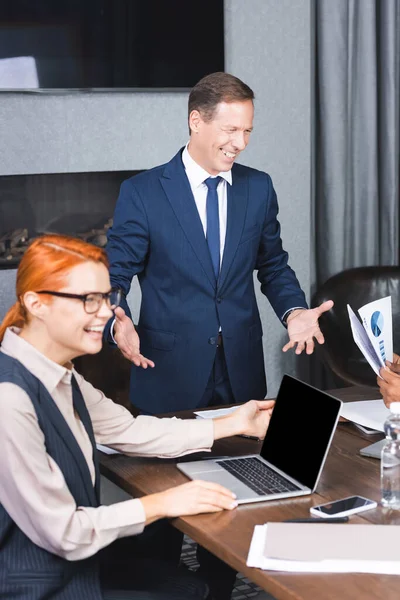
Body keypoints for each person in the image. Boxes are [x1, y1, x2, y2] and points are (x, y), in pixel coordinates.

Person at [0, 234, 275, 600]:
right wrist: (163, 503)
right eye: (88, 300)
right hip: (38, 582)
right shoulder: (10, 398)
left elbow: (128, 430)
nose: (106, 313)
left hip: (74, 561)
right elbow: (66, 533)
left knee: (193, 588)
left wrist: (236, 423)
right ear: (36, 304)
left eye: (107, 298)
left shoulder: (57, 372)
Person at [105, 71, 333, 416]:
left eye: (247, 131)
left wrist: (295, 311)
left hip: (241, 370)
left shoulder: (258, 187)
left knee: (247, 469)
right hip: (169, 373)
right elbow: (115, 272)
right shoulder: (142, 193)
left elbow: (273, 265)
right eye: (231, 130)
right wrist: (114, 320)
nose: (240, 143)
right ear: (196, 121)